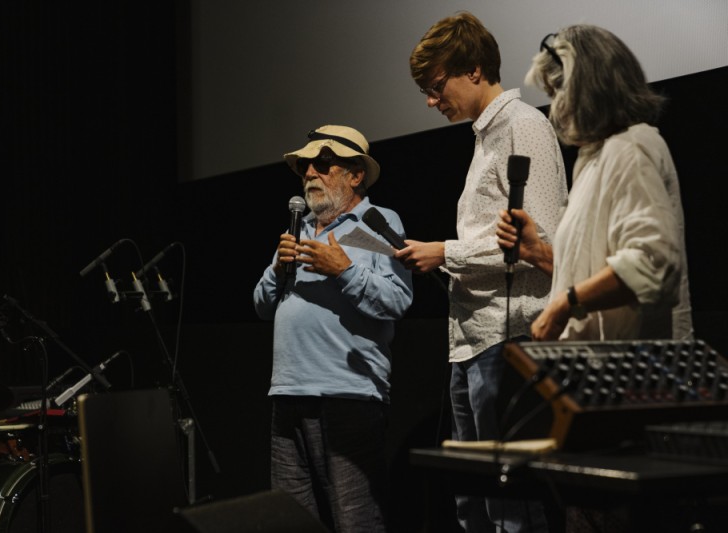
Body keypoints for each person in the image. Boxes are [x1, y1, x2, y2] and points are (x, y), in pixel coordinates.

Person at [399, 12, 568, 533]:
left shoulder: (524, 127)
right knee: (476, 504)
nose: (431, 100)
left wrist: (445, 253)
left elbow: (546, 243)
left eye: (435, 86)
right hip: (472, 341)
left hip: (509, 340)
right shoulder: (485, 139)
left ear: (474, 70)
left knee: (512, 508)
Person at [253, 125, 413, 533]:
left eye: (323, 164)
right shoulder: (298, 227)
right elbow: (260, 306)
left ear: (355, 175)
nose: (310, 173)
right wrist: (276, 270)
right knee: (292, 521)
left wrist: (344, 271)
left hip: (349, 395)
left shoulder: (377, 222)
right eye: (305, 166)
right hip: (287, 391)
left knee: (355, 520)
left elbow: (397, 301)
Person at [496, 25, 693, 343]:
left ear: (585, 88)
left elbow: (651, 262)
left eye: (557, 92)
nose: (555, 106)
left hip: (635, 373)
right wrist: (537, 252)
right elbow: (591, 270)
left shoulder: (631, 148)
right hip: (602, 369)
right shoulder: (595, 159)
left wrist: (563, 305)